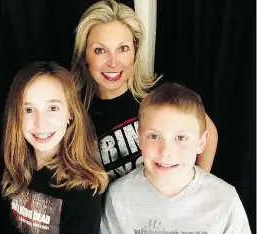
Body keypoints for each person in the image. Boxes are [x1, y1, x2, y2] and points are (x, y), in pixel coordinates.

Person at [71, 0, 218, 182]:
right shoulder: (76, 111)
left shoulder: (158, 93)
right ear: (85, 56)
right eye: (100, 50)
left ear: (135, 50)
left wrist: (196, 188)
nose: (113, 62)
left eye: (123, 48)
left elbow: (207, 132)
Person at [99, 83, 254, 234]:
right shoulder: (119, 195)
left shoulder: (225, 199)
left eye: (181, 138)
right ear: (139, 139)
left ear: (201, 142)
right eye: (154, 136)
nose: (166, 151)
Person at [0, 61, 109, 234]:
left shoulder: (83, 189)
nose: (40, 123)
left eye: (52, 108)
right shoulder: (12, 167)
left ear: (70, 113)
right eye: (28, 110)